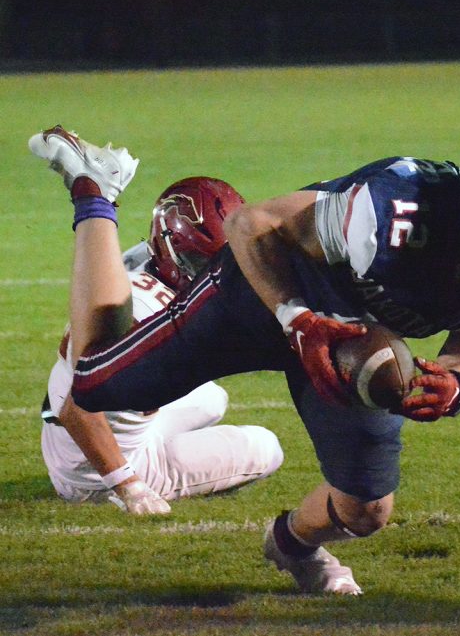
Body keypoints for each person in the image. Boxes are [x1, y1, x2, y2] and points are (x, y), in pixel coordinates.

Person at [31, 112, 460, 594]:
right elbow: (249, 225)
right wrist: (295, 318)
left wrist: (456, 387)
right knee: (95, 385)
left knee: (366, 509)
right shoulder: (396, 207)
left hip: (352, 340)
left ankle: (293, 547)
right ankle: (94, 191)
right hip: (261, 297)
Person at [30, 129, 284, 515]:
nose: (215, 273)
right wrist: (128, 486)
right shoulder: (139, 310)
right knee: (266, 447)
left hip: (75, 439)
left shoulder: (138, 267)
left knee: (213, 398)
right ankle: (112, 477)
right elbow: (74, 407)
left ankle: (95, 193)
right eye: (205, 263)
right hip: (95, 467)